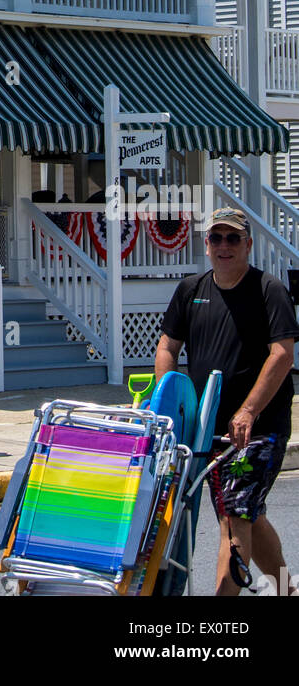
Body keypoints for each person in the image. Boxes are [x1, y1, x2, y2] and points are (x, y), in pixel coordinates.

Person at [155, 206, 299, 596]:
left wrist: (249, 409)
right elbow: (168, 345)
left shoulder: (269, 290)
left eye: (233, 238)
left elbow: (282, 354)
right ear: (207, 244)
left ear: (248, 244)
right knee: (246, 514)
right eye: (216, 238)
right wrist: (166, 403)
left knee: (234, 518)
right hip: (208, 430)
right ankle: (287, 590)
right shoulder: (191, 290)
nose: (224, 245)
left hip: (260, 429)